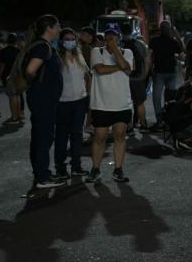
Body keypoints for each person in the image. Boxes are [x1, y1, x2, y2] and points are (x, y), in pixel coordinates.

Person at [86, 23, 134, 184]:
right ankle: (96, 169)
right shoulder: (96, 51)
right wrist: (120, 67)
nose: (110, 38)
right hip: (101, 104)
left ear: (119, 37)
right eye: (107, 35)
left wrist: (116, 51)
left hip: (122, 103)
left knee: (120, 135)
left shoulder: (127, 52)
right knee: (99, 137)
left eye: (113, 35)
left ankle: (118, 169)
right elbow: (100, 70)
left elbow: (128, 69)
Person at [25, 15, 64, 189]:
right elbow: (31, 69)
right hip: (43, 99)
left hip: (40, 97)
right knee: (44, 137)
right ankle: (43, 177)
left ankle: (40, 173)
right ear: (49, 28)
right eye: (58, 26)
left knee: (39, 136)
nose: (60, 29)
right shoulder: (42, 46)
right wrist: (41, 87)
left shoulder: (39, 45)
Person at [54, 28, 90, 181]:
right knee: (62, 137)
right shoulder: (56, 58)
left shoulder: (79, 55)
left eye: (72, 39)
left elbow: (87, 76)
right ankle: (60, 168)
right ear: (61, 42)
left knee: (77, 135)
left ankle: (76, 166)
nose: (70, 42)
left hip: (79, 101)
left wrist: (87, 95)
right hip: (62, 102)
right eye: (66, 39)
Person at [150, 21, 184, 129]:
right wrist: (178, 37)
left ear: (160, 29)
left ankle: (159, 120)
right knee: (170, 98)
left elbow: (150, 56)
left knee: (156, 98)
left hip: (159, 72)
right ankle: (168, 120)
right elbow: (182, 54)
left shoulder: (154, 41)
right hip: (171, 72)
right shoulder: (173, 42)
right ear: (169, 29)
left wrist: (149, 70)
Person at [124, 31, 150, 131]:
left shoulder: (119, 44)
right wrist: (144, 76)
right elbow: (146, 61)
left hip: (125, 78)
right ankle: (143, 125)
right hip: (138, 78)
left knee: (126, 104)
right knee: (140, 103)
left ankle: (129, 126)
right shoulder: (140, 44)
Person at [0, 33, 22, 124]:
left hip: (7, 75)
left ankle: (14, 117)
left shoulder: (3, 51)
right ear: (16, 40)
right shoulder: (18, 50)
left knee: (12, 96)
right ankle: (18, 115)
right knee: (18, 95)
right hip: (18, 75)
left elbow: (2, 65)